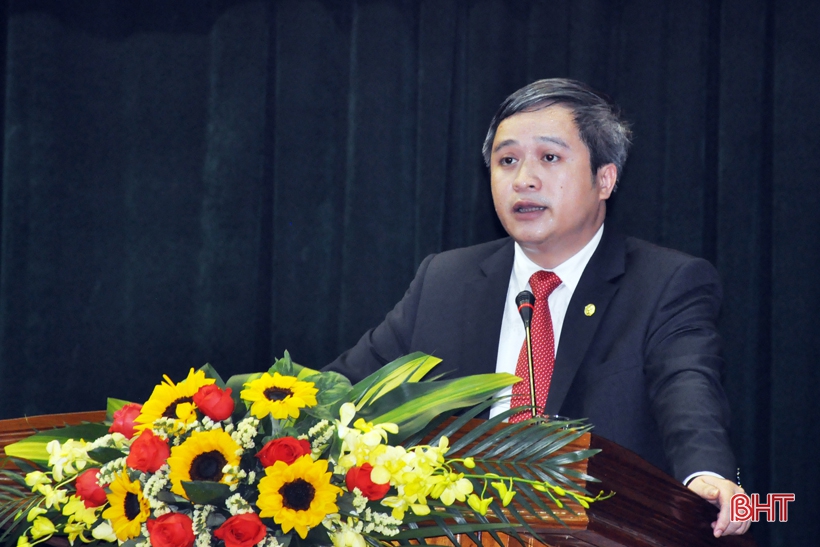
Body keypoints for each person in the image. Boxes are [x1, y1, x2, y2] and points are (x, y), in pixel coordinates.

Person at [326, 79, 749, 537]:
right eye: (507, 161)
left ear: (605, 179)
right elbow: (342, 390)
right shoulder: (445, 281)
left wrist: (705, 475)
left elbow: (688, 391)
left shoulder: (664, 284)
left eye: (549, 158)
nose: (523, 179)